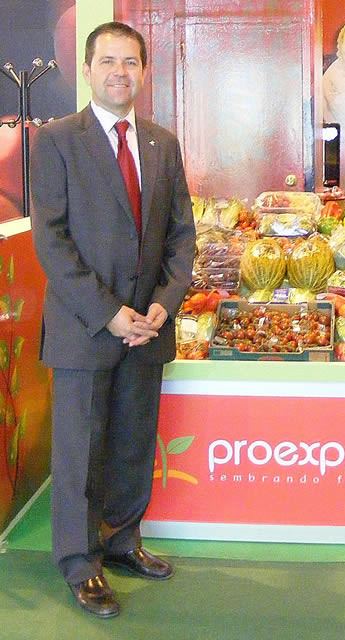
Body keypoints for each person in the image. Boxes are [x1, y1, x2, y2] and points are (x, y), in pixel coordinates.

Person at [30, 22, 196, 618]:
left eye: (130, 62)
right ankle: (80, 562)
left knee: (132, 442)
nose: (119, 72)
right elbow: (51, 242)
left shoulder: (162, 143)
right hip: (85, 328)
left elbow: (181, 234)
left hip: (148, 327)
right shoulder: (56, 140)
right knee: (80, 451)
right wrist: (108, 313)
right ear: (87, 68)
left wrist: (165, 302)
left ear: (144, 71)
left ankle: (123, 541)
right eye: (108, 61)